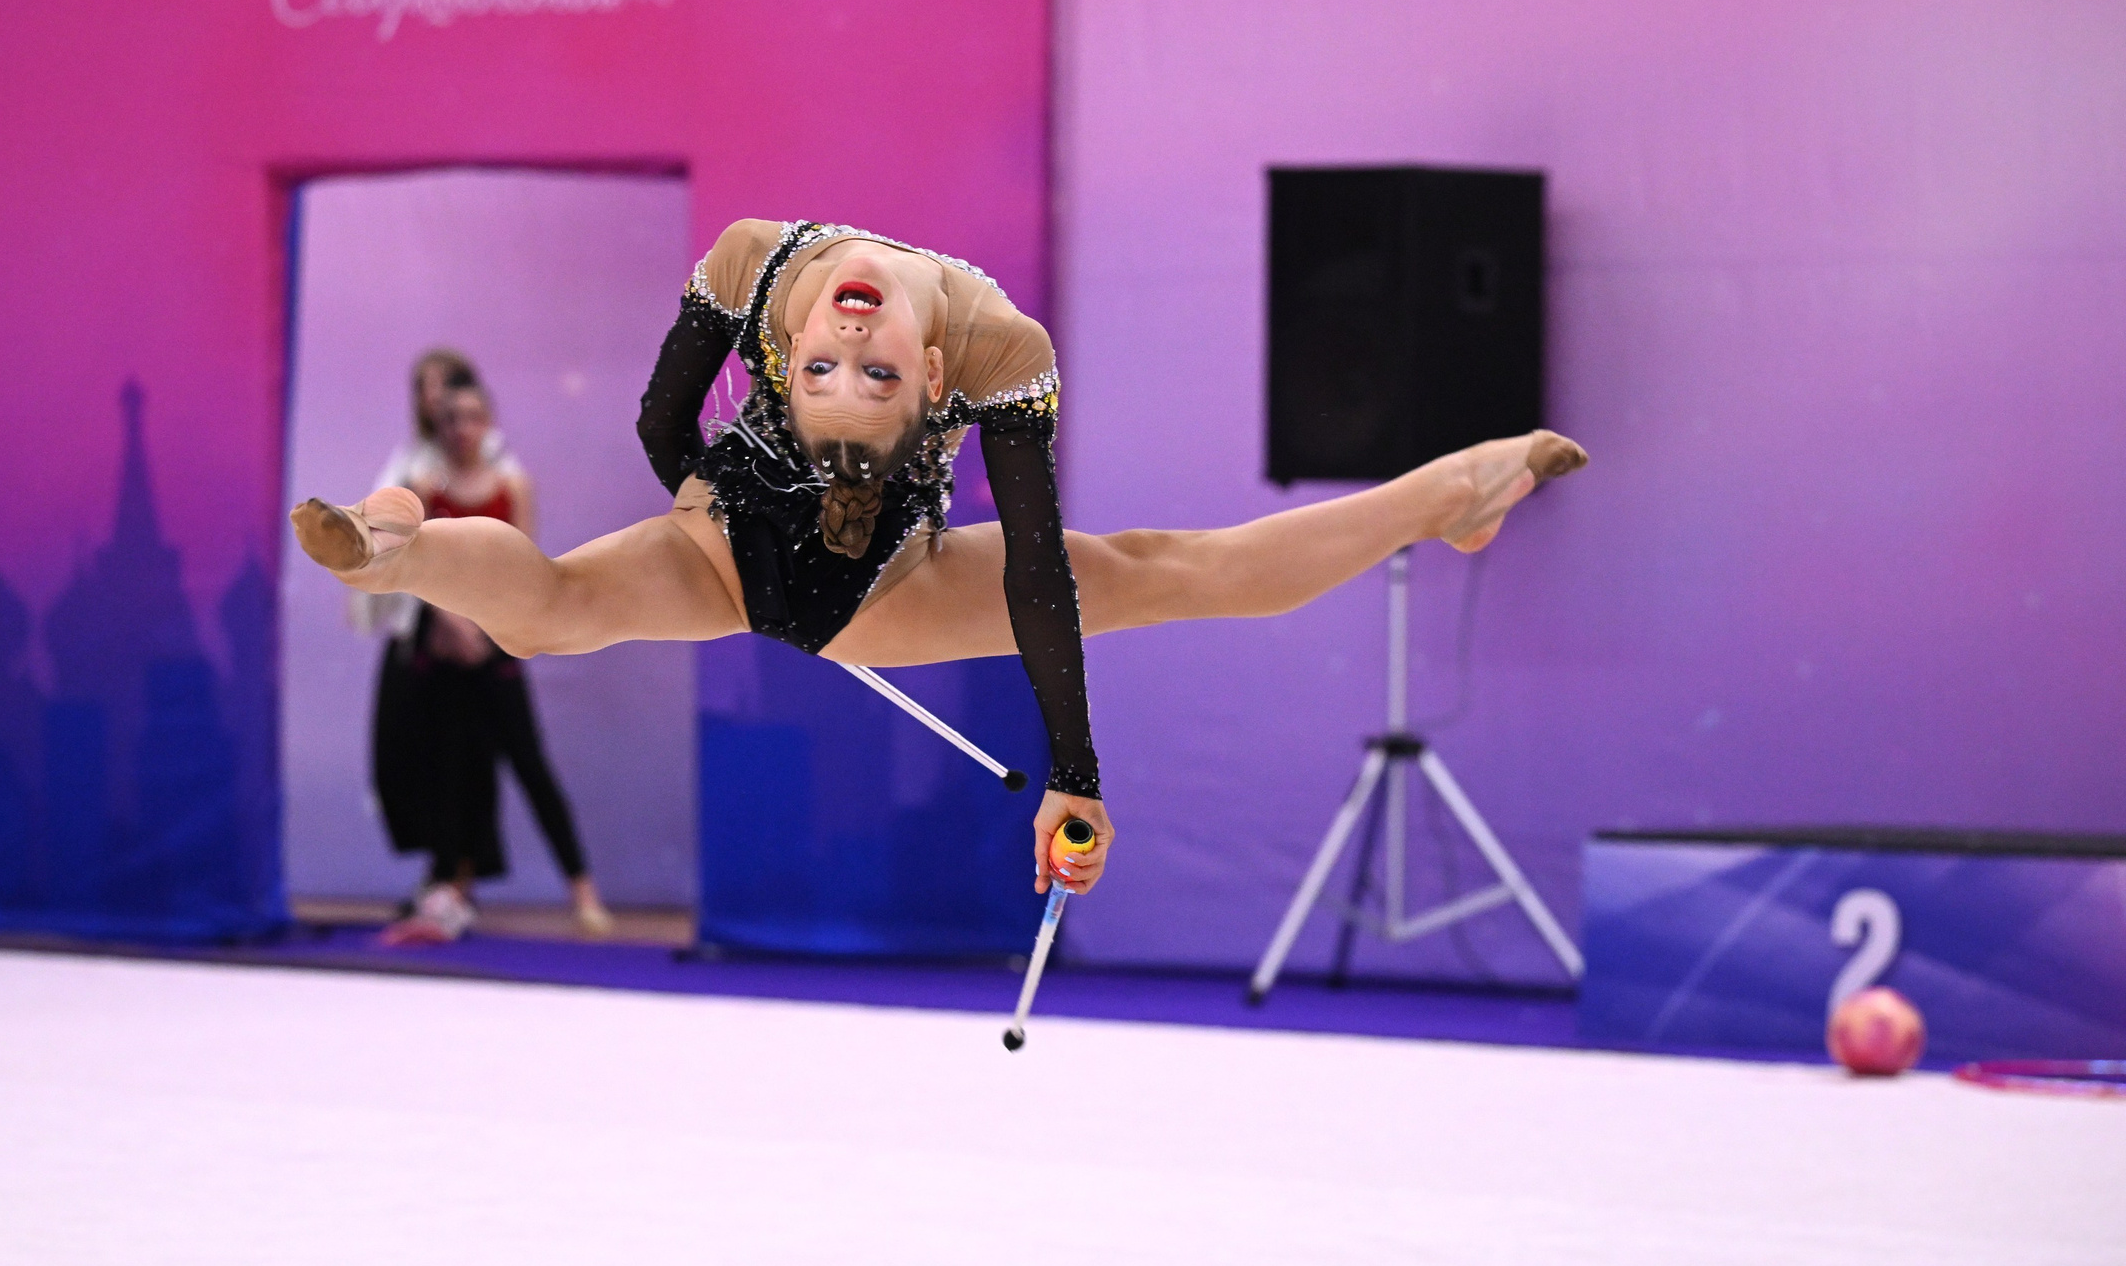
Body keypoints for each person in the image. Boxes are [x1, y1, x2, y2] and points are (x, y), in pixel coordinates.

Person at [296, 219, 1586, 899]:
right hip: (736, 524)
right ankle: (398, 543)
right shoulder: (757, 272)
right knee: (557, 611)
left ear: (931, 380)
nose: (850, 339)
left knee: (1159, 568)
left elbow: (1037, 572)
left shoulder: (989, 346)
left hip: (886, 580)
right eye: (829, 369)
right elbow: (656, 425)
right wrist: (705, 508)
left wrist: (1070, 775)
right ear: (784, 366)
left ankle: (1442, 494)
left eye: (861, 371)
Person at [366, 368, 612, 942]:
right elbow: (420, 571)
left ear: (489, 425)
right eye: (450, 420)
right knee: (450, 769)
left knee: (530, 765)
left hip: (497, 646)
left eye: (472, 418)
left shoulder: (512, 486)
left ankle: (583, 890)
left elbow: (526, 567)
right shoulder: (425, 486)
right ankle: (450, 888)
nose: (461, 430)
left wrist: (491, 628)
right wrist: (453, 624)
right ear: (438, 426)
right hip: (449, 652)